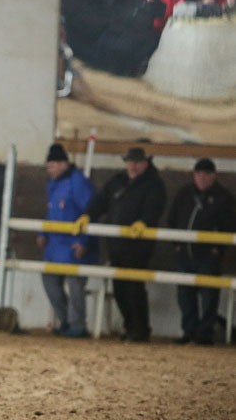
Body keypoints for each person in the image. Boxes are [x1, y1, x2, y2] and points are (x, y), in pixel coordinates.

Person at [77, 147, 166, 342]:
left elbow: (155, 208)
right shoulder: (116, 182)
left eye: (137, 162)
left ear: (146, 163)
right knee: (119, 288)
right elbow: (99, 201)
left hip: (138, 246)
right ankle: (130, 327)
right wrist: (88, 215)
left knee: (133, 287)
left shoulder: (154, 185)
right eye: (130, 161)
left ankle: (140, 329)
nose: (133, 166)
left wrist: (145, 221)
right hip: (116, 244)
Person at [167, 158, 236, 345]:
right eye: (199, 174)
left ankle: (204, 334)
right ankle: (189, 332)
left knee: (209, 297)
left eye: (207, 175)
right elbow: (172, 219)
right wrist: (177, 244)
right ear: (194, 175)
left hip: (208, 257)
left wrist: (218, 250)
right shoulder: (184, 194)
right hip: (185, 255)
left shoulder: (224, 197)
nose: (202, 178)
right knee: (185, 296)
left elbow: (229, 226)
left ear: (214, 176)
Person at [37, 144, 98, 337]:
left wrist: (84, 241)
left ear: (64, 164)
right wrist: (43, 232)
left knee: (75, 285)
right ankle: (66, 320)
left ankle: (77, 325)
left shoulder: (79, 183)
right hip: (54, 246)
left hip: (74, 246)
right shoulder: (52, 183)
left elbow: (91, 213)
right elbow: (51, 212)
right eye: (48, 166)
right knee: (49, 281)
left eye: (53, 165)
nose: (50, 169)